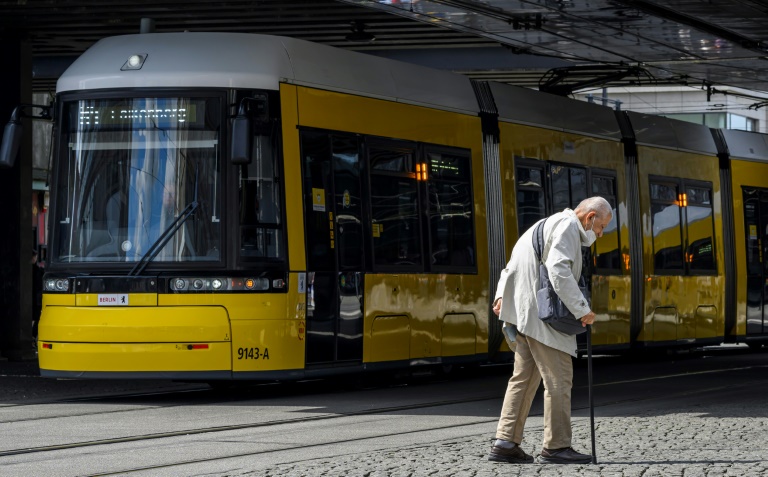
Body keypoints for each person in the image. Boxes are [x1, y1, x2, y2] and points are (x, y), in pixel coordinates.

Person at [488, 196, 613, 465]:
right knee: (559, 378)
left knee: (523, 377)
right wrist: (582, 309)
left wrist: (501, 297)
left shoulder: (543, 224)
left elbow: (511, 264)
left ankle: (505, 442)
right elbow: (558, 269)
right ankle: (556, 447)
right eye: (601, 227)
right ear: (590, 217)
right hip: (541, 318)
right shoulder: (568, 226)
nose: (600, 234)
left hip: (522, 314)